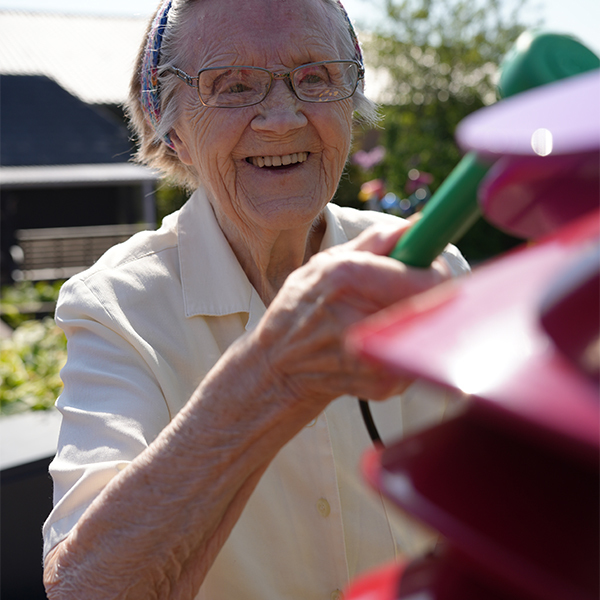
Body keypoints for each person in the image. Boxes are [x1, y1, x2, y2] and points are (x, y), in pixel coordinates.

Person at [42, 0, 469, 598]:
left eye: (315, 76)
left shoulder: (428, 271)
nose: (280, 118)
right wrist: (274, 375)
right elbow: (85, 587)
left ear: (352, 101)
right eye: (232, 85)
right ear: (172, 127)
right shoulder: (119, 307)